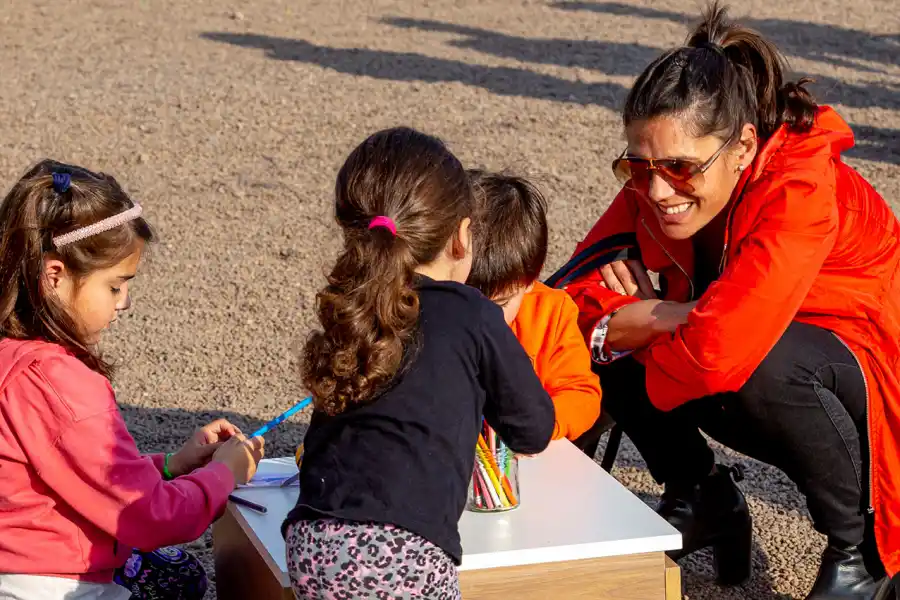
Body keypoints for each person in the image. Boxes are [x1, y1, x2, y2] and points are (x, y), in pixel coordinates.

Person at [549, 3, 900, 598]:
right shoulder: (654, 181)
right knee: (603, 348)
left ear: (741, 146)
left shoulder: (801, 182)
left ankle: (862, 552)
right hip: (756, 354)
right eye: (638, 165)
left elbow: (722, 352)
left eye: (680, 168)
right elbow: (562, 301)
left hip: (868, 373)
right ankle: (702, 494)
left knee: (756, 361)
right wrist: (638, 324)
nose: (658, 190)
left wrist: (648, 322)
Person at [282, 127, 555, 599]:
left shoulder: (354, 312)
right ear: (463, 237)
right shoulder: (472, 312)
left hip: (312, 539)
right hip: (403, 552)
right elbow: (533, 429)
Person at [0, 160, 265, 600]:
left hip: (17, 567)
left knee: (178, 578)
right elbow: (151, 517)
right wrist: (225, 474)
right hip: (54, 583)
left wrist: (170, 466)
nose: (125, 303)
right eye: (115, 286)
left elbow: (63, 475)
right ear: (54, 276)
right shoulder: (60, 382)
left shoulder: (13, 356)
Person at [466, 170, 602, 442]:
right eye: (466, 299)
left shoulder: (551, 314)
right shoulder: (430, 300)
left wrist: (541, 424)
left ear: (531, 278)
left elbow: (582, 394)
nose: (482, 319)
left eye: (500, 304)